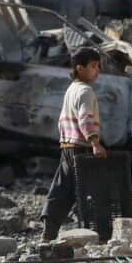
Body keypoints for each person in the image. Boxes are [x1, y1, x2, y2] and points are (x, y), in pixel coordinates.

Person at [40, 46, 106, 242]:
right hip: (81, 148)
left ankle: (49, 229)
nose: (97, 70)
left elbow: (62, 119)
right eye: (93, 66)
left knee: (63, 189)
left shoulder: (71, 89)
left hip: (68, 146)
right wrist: (95, 143)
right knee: (91, 190)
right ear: (80, 68)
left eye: (98, 66)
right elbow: (85, 119)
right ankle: (97, 231)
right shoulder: (85, 91)